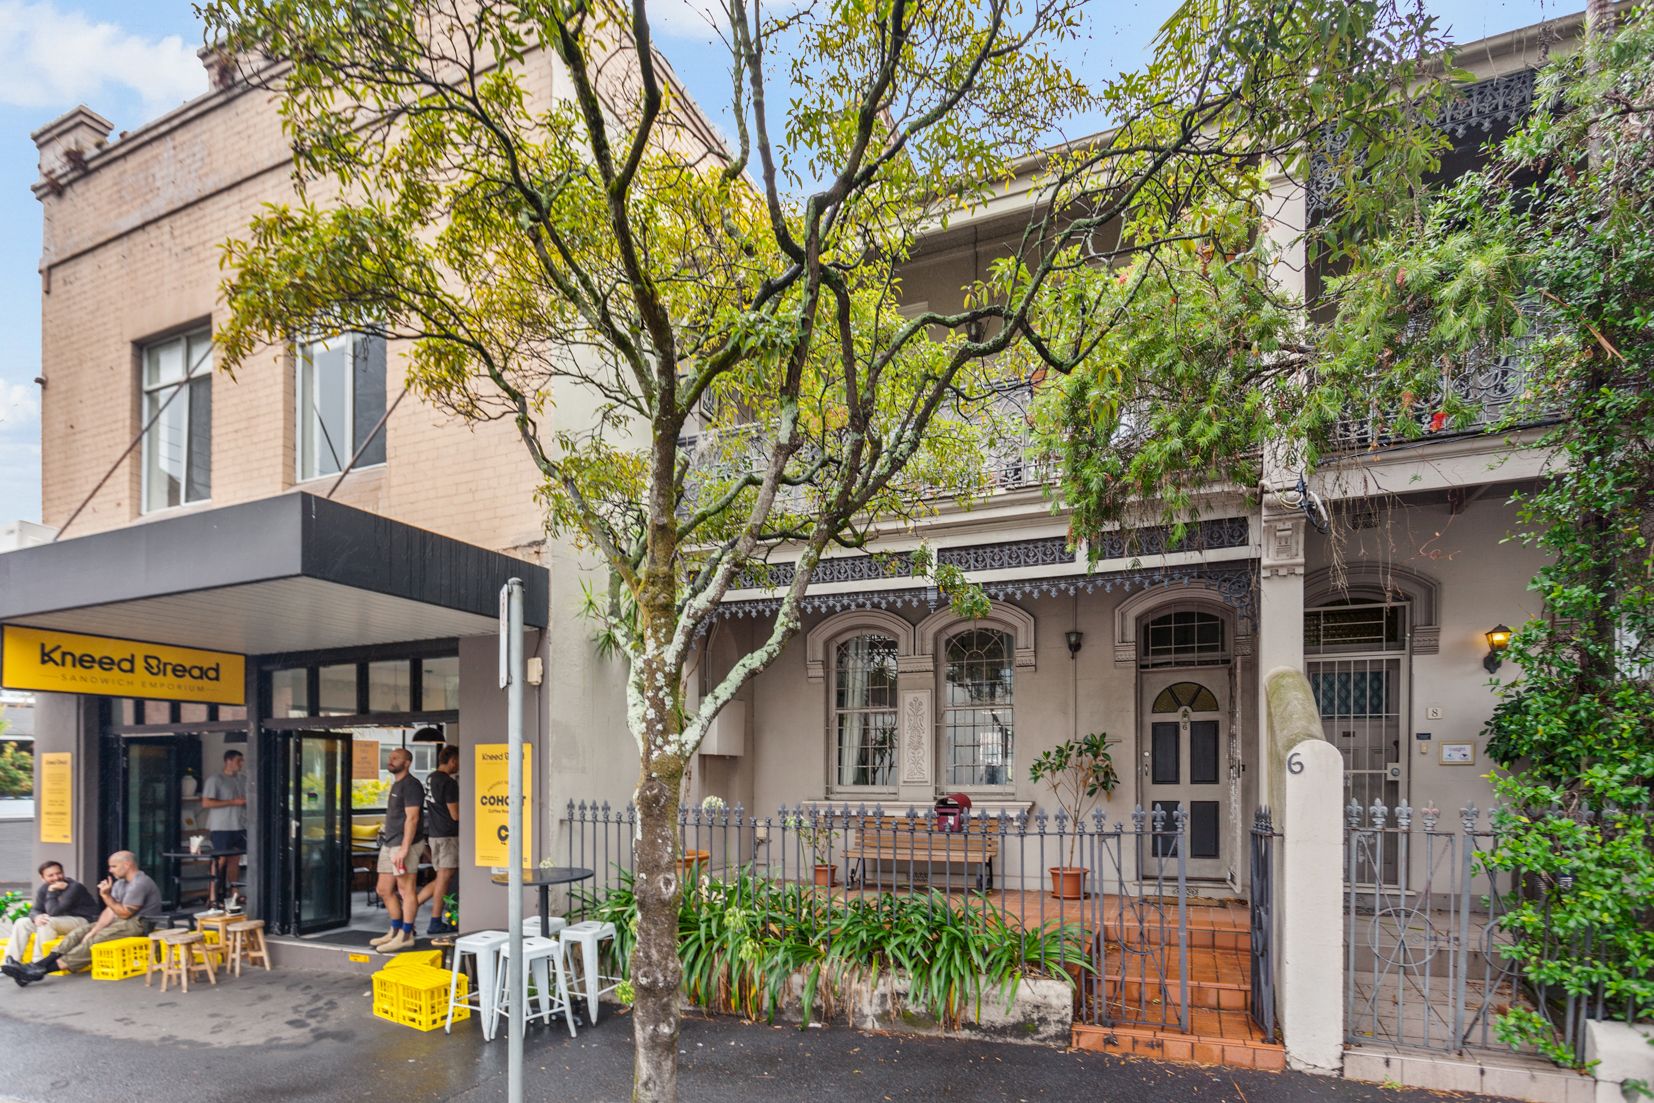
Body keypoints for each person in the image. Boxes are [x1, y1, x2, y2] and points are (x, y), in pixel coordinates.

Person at [2, 851, 162, 986]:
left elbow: (125, 913)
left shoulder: (140, 883)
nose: (110, 870)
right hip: (121, 921)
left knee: (94, 941)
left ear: (127, 865)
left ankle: (37, 971)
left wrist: (106, 896)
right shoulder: (120, 884)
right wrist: (94, 929)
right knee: (77, 934)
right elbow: (110, 911)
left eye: (113, 866)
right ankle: (34, 968)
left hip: (140, 922)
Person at [370, 747, 426, 952]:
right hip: (390, 843)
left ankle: (406, 935)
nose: (391, 760)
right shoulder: (397, 784)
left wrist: (404, 848)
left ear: (407, 763)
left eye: (396, 758)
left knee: (405, 890)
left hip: (404, 845)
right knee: (383, 889)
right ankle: (395, 931)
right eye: (390, 757)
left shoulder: (411, 785)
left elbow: (413, 818)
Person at [3, 860, 101, 966]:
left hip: (84, 921)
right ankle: (10, 962)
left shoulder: (74, 887)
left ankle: (38, 963)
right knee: (22, 922)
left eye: (59, 873)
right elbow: (35, 909)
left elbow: (54, 911)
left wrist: (51, 891)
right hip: (60, 921)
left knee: (47, 922)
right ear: (43, 878)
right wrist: (36, 917)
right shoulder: (43, 888)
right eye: (51, 875)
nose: (56, 877)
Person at [417, 742, 461, 935]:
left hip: (435, 835)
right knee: (444, 879)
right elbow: (455, 815)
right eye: (458, 761)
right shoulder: (449, 783)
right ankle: (434, 920)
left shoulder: (431, 778)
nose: (459, 765)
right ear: (452, 761)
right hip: (448, 836)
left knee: (442, 878)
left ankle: (410, 908)